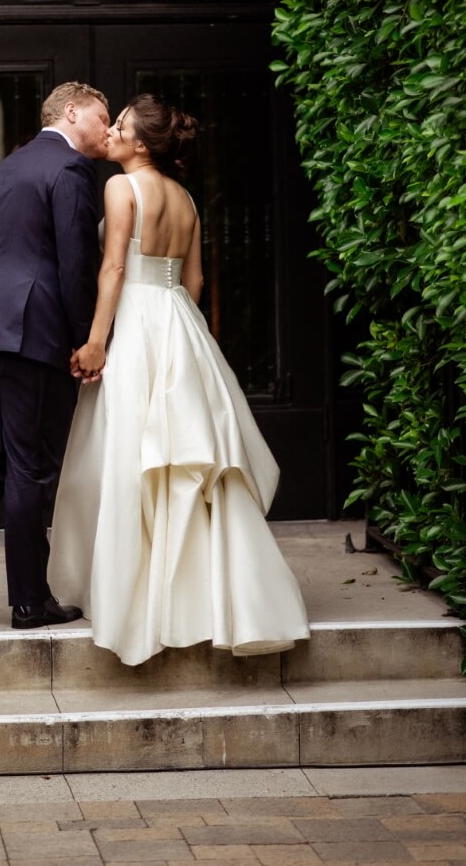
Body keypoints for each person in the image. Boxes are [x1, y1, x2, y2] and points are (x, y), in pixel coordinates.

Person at [47, 94, 310, 666]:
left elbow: (114, 268)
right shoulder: (186, 199)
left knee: (131, 458)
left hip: (137, 322)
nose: (111, 131)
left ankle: (139, 599)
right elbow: (194, 282)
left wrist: (97, 341)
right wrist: (176, 333)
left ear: (141, 143)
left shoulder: (122, 188)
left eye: (120, 125)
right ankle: (205, 598)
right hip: (178, 323)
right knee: (184, 458)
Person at [0, 81, 110, 629]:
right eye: (103, 117)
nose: (107, 129)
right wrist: (85, 340)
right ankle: (30, 602)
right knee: (29, 467)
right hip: (33, 334)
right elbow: (76, 263)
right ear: (72, 110)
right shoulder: (72, 170)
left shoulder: (2, 171)